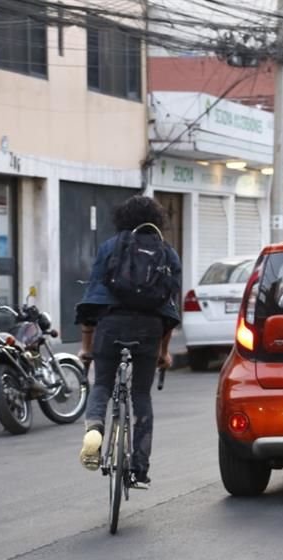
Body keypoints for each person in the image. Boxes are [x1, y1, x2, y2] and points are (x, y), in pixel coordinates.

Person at [75, 195, 182, 489]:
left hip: (110, 326)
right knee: (141, 396)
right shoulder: (167, 253)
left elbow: (92, 301)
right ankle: (139, 468)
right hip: (149, 329)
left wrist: (87, 348)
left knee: (102, 385)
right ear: (157, 220)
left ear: (122, 218)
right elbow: (169, 311)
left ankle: (95, 428)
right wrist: (164, 352)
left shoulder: (111, 247)